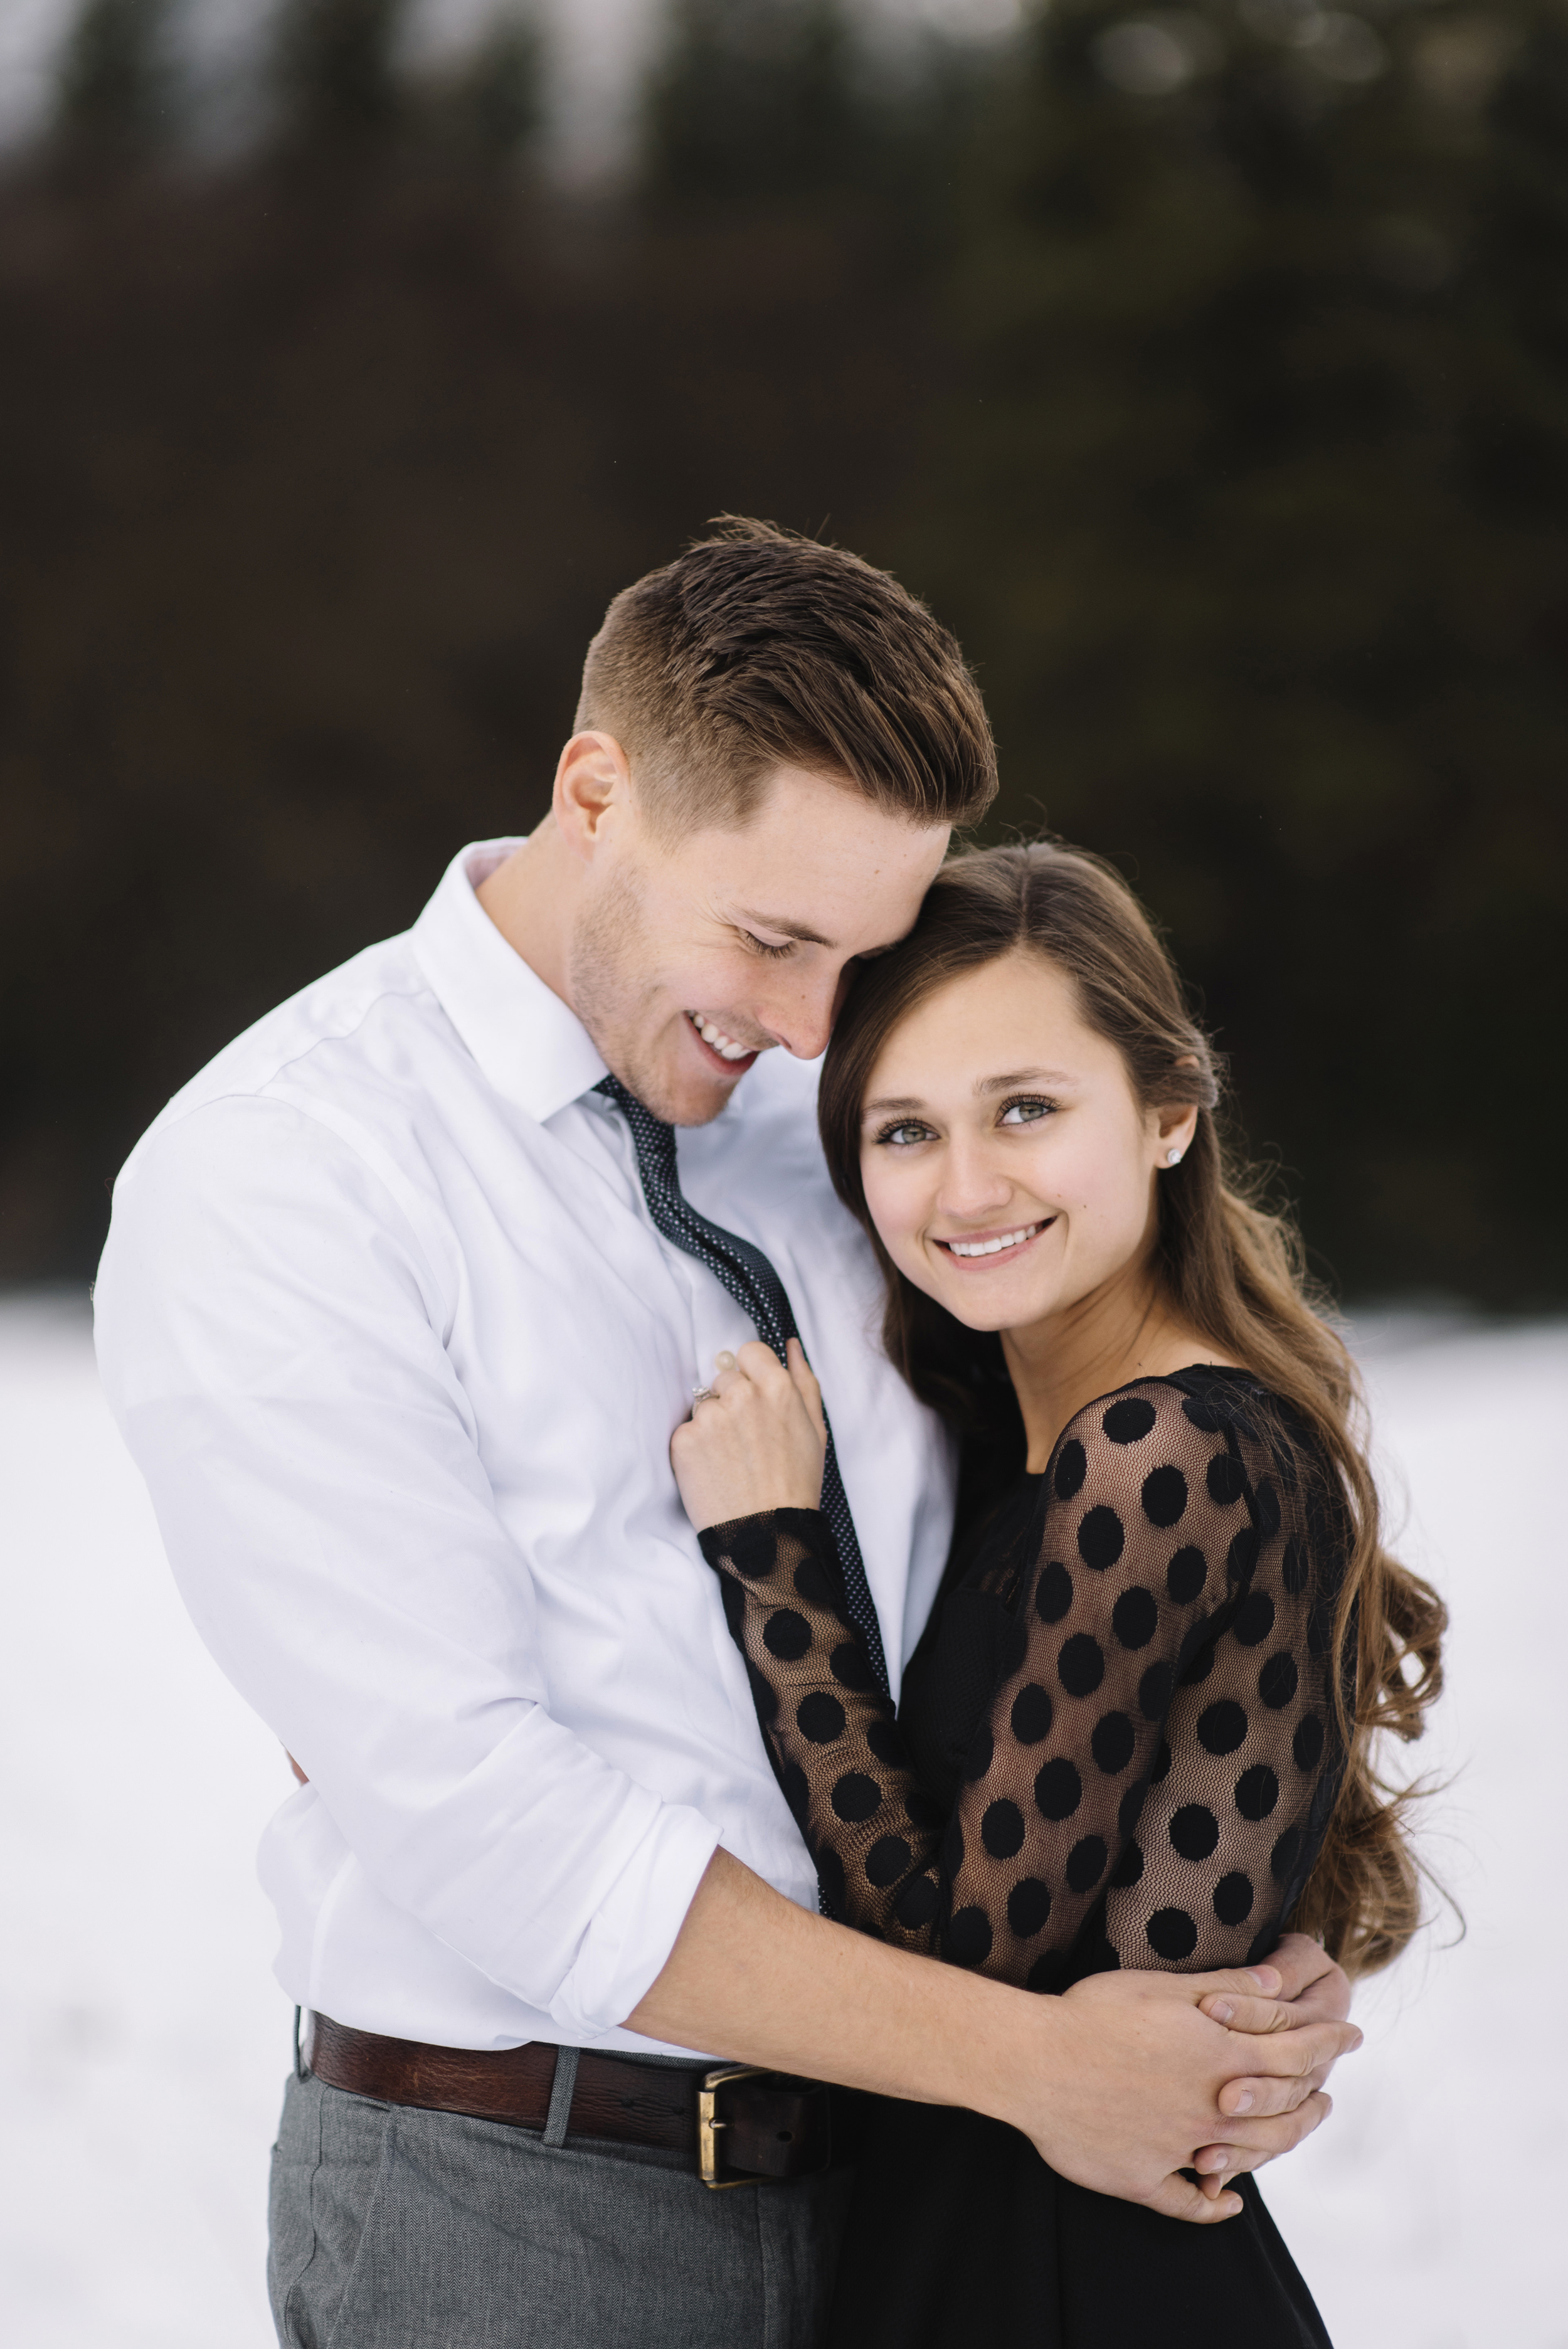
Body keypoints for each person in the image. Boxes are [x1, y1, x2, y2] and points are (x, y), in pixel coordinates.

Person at [93, 524, 1361, 2349]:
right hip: (525, 2209)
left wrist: (1223, 1941)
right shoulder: (294, 1175)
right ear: (595, 789)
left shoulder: (830, 1126)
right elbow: (478, 1813)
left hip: (909, 2201)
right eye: (771, 939)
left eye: (858, 957)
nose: (808, 1026)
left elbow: (1058, 1590)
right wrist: (1040, 2059)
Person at [670, 841, 1446, 2347]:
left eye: (1024, 1108)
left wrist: (771, 1550)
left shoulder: (1162, 1452)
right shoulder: (1021, 1438)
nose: (965, 1187)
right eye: (904, 1130)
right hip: (984, 2252)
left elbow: (955, 1965)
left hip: (1075, 2282)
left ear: (1166, 1114)